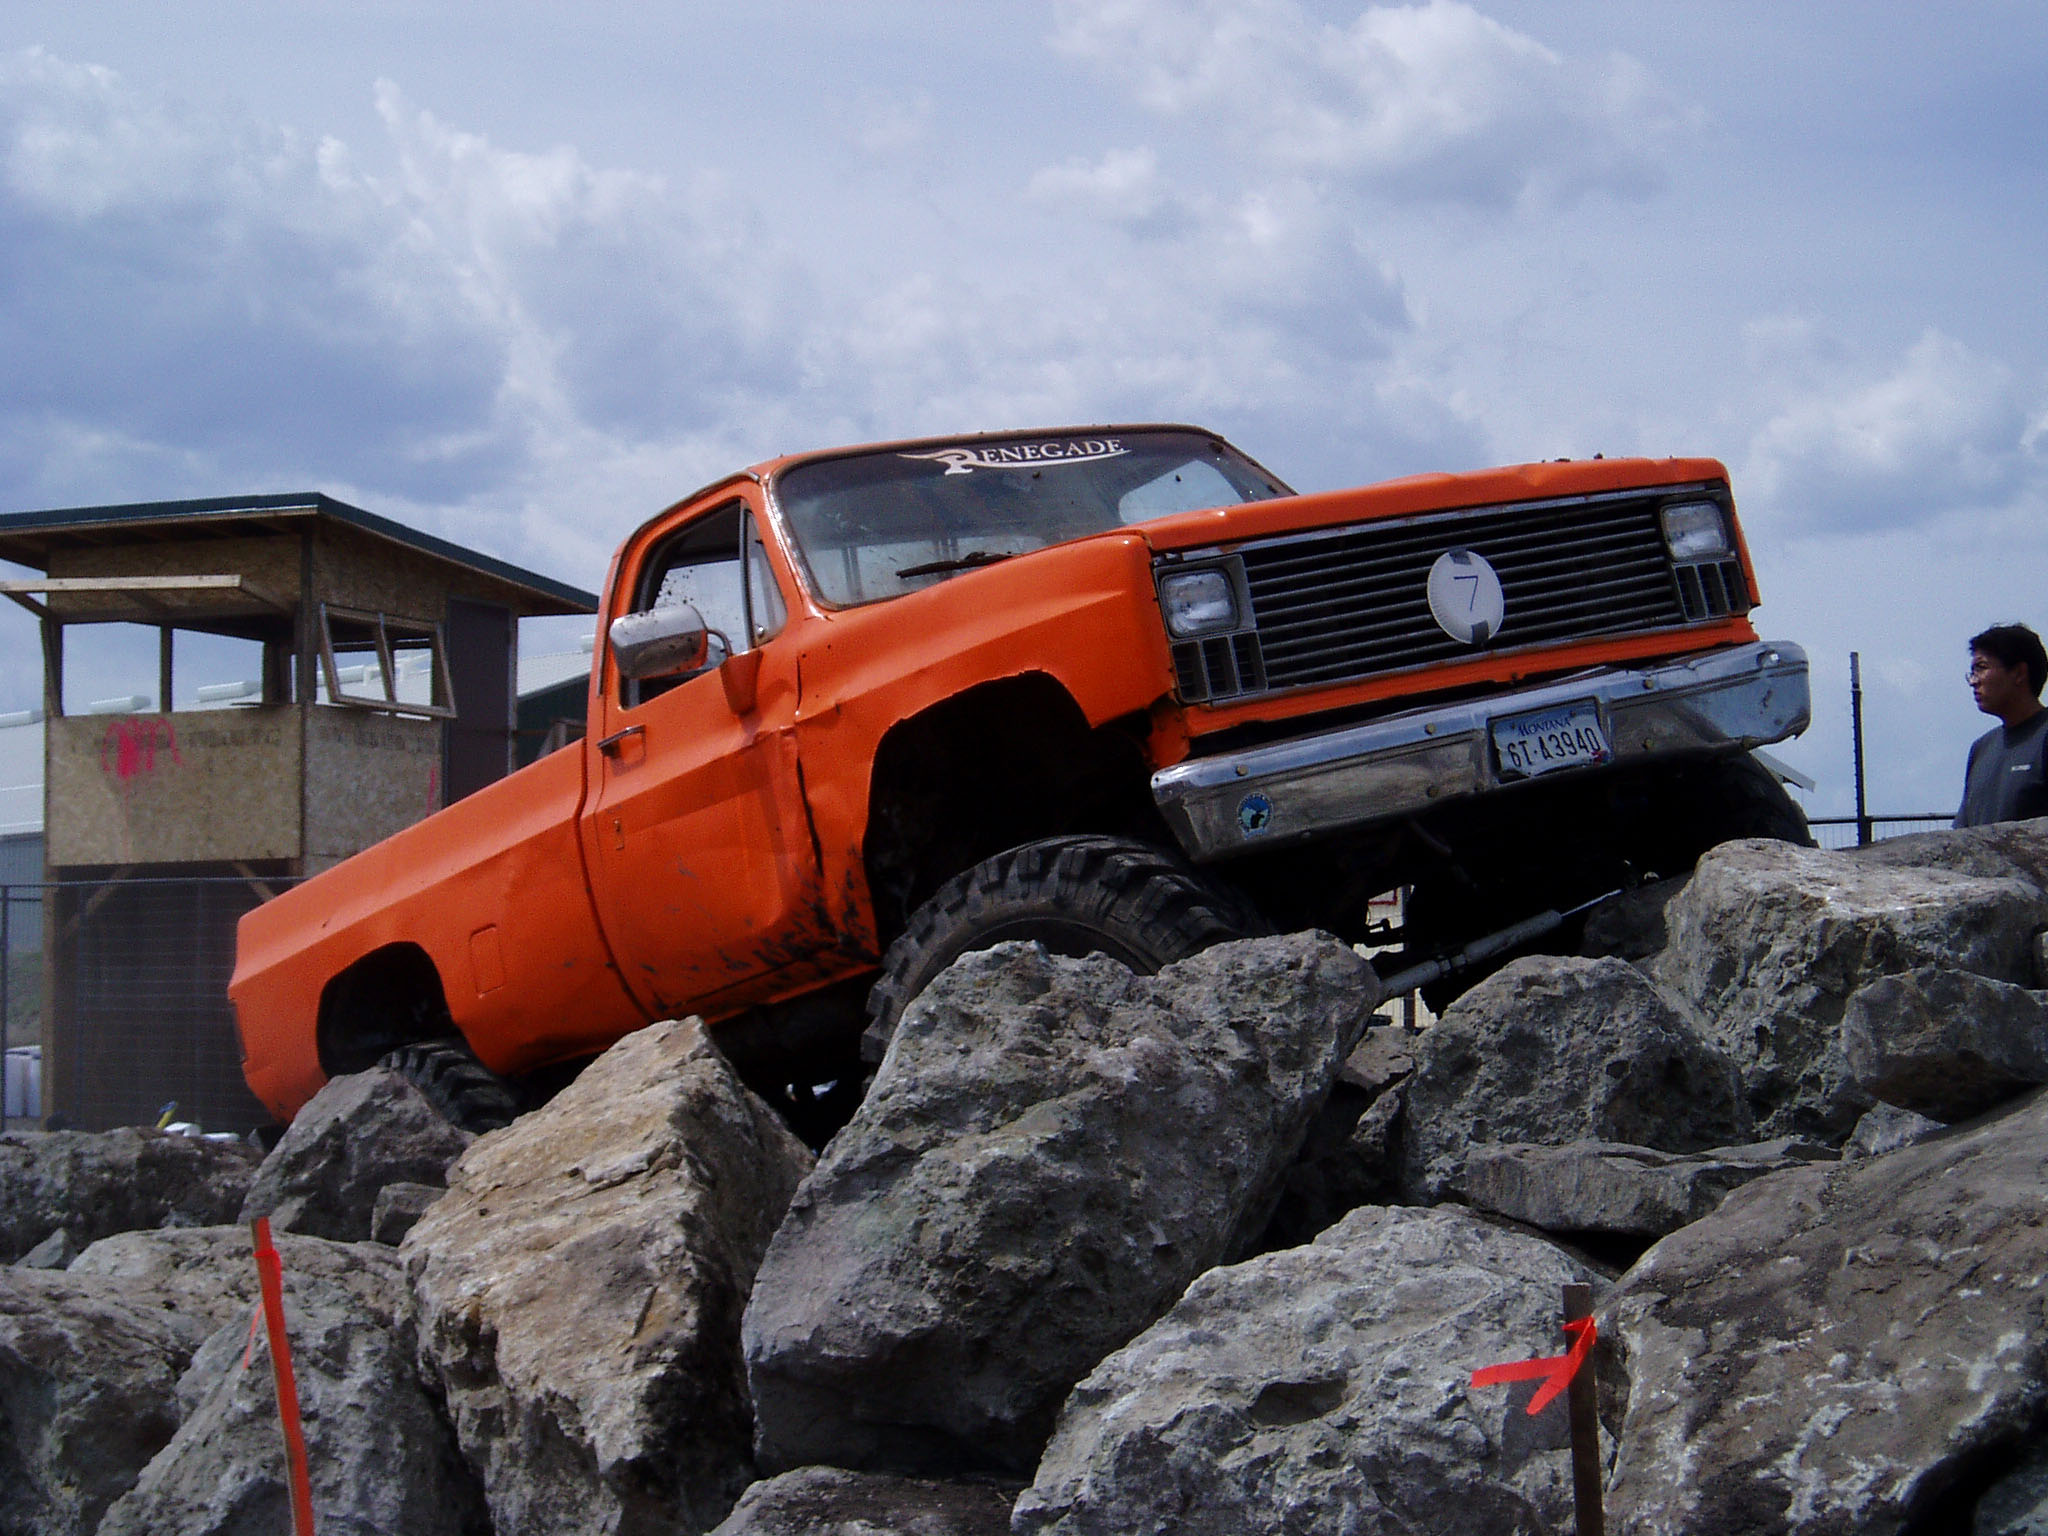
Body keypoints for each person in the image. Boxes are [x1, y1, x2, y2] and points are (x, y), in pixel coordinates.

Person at [1954, 622, 2048, 828]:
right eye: (1972, 673)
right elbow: (1962, 833)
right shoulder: (1981, 748)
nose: (1973, 681)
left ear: (2019, 673)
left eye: (1981, 668)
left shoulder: (2043, 736)